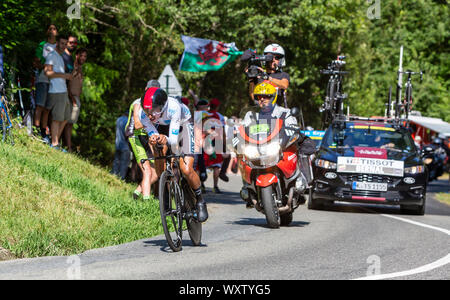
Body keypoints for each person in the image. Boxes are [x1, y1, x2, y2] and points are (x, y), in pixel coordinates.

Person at [151, 90, 209, 222]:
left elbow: (172, 139)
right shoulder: (146, 112)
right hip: (163, 127)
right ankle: (165, 192)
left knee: (186, 169)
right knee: (159, 154)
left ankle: (200, 200)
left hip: (183, 125)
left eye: (154, 109)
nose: (151, 113)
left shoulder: (174, 107)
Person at [240, 81, 298, 208]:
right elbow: (242, 129)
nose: (262, 99)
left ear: (273, 97)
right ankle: (247, 188)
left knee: (300, 146)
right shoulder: (251, 114)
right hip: (258, 149)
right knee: (242, 157)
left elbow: (292, 125)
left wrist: (292, 129)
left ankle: (299, 181)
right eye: (259, 97)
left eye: (266, 96)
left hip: (277, 147)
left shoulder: (284, 112)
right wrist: (236, 137)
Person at [124, 86, 167, 201]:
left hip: (147, 137)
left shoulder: (156, 105)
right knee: (147, 170)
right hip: (135, 137)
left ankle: (137, 192)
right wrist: (151, 120)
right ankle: (146, 202)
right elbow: (137, 125)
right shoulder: (138, 103)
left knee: (157, 171)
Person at [44, 33, 73, 151]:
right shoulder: (52, 55)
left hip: (63, 91)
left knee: (66, 116)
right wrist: (64, 75)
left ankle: (54, 140)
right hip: (56, 91)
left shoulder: (60, 57)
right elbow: (47, 73)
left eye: (65, 44)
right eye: (62, 43)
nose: (63, 46)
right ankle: (55, 143)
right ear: (57, 43)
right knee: (57, 118)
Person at [33, 24, 58, 143]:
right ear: (47, 31)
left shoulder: (59, 47)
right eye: (50, 29)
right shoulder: (42, 45)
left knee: (48, 108)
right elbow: (36, 62)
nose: (52, 31)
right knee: (40, 105)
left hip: (54, 81)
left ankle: (44, 132)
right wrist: (45, 66)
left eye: (54, 29)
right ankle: (35, 129)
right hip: (43, 78)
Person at [64, 47, 87, 152]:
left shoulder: (81, 69)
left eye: (85, 56)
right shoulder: (73, 67)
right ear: (76, 55)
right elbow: (68, 83)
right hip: (71, 97)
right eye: (81, 55)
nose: (83, 58)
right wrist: (72, 98)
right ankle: (67, 147)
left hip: (76, 98)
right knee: (66, 122)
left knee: (70, 123)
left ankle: (67, 146)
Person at [112, 111, 131, 180]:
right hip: (125, 146)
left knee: (116, 161)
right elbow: (127, 134)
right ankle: (121, 178)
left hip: (118, 144)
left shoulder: (119, 119)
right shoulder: (127, 121)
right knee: (124, 163)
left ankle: (113, 175)